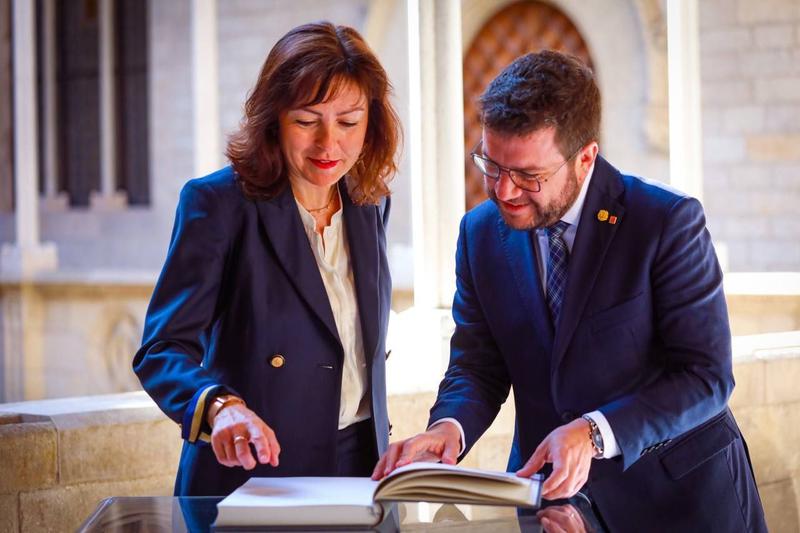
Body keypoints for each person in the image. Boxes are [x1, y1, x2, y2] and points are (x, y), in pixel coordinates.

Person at [373, 50, 766, 532]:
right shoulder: (478, 234)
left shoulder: (666, 223)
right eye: (490, 165)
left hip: (682, 502)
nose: (503, 192)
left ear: (586, 157)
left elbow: (706, 376)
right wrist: (447, 429)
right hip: (554, 505)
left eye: (529, 176)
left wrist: (595, 433)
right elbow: (477, 365)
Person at [133, 21, 401, 496]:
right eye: (306, 121)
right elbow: (161, 349)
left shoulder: (370, 202)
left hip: (364, 469)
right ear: (274, 118)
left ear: (371, 121)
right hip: (254, 475)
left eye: (348, 121)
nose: (328, 144)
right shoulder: (218, 204)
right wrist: (219, 407)